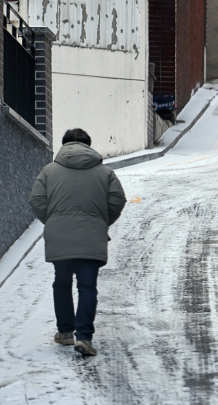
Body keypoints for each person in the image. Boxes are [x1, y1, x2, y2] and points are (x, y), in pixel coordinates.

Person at [29, 129, 127, 356]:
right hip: (91, 237)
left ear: (64, 145)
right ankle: (84, 337)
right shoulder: (105, 172)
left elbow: (36, 199)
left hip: (60, 237)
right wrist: (102, 221)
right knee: (87, 287)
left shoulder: (49, 171)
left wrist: (53, 220)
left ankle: (64, 333)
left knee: (61, 284)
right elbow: (117, 200)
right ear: (88, 146)